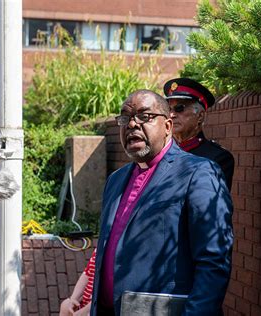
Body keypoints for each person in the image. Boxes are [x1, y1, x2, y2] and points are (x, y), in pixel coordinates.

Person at [91, 90, 233, 315]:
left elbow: (213, 261)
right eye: (125, 118)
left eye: (144, 116)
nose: (132, 125)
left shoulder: (199, 172)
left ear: (167, 126)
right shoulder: (115, 180)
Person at [163, 78, 235, 191]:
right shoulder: (161, 153)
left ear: (200, 116)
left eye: (179, 108)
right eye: (168, 109)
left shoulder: (218, 157)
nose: (171, 115)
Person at [60, 249, 96, 316]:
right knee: (66, 306)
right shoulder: (101, 247)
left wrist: (85, 311)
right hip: (85, 303)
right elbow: (87, 273)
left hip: (96, 308)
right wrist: (74, 299)